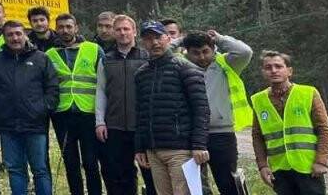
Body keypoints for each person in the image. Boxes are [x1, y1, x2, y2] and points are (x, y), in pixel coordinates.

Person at [133, 21, 209, 195]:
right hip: (153, 151)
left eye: (158, 37)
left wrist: (199, 144)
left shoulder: (187, 69)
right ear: (143, 43)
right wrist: (139, 148)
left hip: (181, 150)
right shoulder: (141, 74)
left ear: (167, 38)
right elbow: (140, 114)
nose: (155, 43)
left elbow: (201, 109)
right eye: (149, 39)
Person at [0, 21, 58, 195]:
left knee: (40, 169)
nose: (15, 38)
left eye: (18, 33)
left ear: (25, 34)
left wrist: (43, 108)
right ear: (4, 37)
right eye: (10, 34)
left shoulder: (41, 58)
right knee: (15, 169)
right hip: (7, 125)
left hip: (35, 124)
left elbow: (52, 88)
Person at [180, 30, 254, 195]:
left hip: (222, 134)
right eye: (196, 53)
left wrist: (219, 38)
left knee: (228, 183)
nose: (201, 57)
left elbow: (245, 51)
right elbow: (163, 54)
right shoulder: (181, 67)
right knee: (197, 188)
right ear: (187, 52)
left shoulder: (226, 63)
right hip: (191, 135)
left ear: (213, 49)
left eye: (205, 51)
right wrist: (179, 40)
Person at [250, 51, 328, 195]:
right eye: (268, 67)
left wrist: (321, 160)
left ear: (289, 71)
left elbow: (324, 129)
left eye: (278, 66)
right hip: (279, 169)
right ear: (263, 72)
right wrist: (262, 165)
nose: (273, 70)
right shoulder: (258, 100)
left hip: (308, 167)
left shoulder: (308, 93)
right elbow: (257, 136)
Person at [95, 14, 157, 195]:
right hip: (115, 127)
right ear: (114, 33)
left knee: (151, 174)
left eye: (126, 29)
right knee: (120, 176)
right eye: (119, 29)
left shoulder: (147, 57)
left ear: (134, 32)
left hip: (143, 126)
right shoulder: (106, 59)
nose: (122, 33)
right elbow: (101, 91)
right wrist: (100, 121)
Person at [44, 13, 101, 195]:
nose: (65, 30)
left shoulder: (94, 49)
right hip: (63, 114)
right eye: (61, 27)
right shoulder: (49, 54)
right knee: (70, 162)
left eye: (69, 26)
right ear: (56, 29)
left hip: (88, 112)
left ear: (76, 28)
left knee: (91, 162)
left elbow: (104, 82)